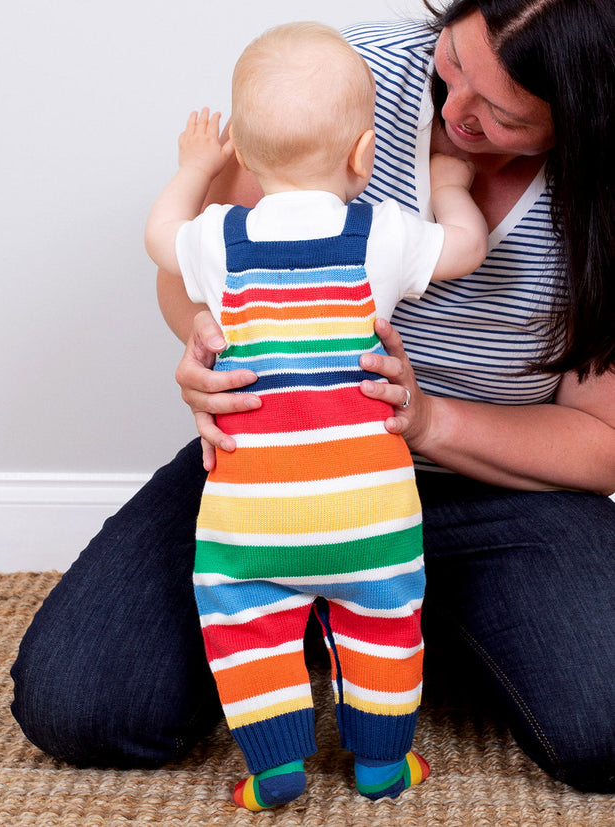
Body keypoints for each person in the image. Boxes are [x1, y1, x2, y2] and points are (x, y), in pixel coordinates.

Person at [11, 0, 615, 797]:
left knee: (603, 728)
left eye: (500, 112)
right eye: (455, 64)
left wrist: (429, 419)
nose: (455, 109)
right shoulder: (337, 76)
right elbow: (190, 271)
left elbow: (600, 437)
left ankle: (367, 618)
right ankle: (352, 619)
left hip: (504, 485)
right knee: (80, 704)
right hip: (272, 470)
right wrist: (203, 349)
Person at [144, 22, 487, 810]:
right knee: (385, 623)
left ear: (249, 163)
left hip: (250, 518)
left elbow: (159, 238)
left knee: (248, 632)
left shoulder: (219, 239)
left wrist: (195, 168)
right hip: (372, 508)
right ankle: (381, 763)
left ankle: (275, 769)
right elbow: (464, 246)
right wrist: (449, 187)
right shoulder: (382, 238)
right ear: (366, 156)